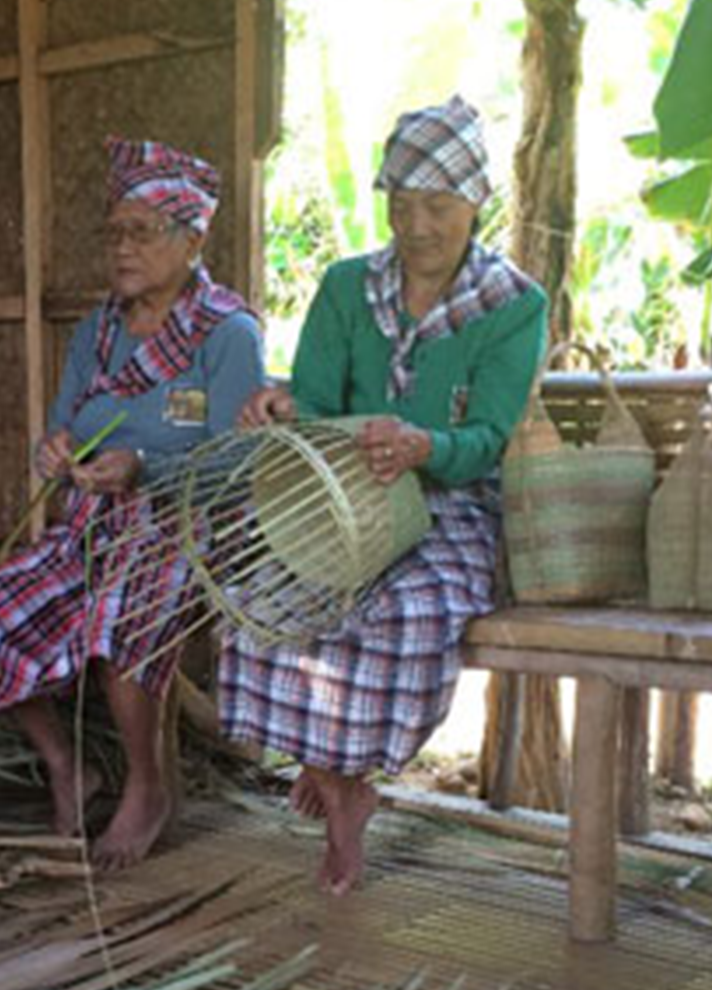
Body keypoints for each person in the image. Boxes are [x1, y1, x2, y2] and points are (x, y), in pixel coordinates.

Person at [227, 95, 547, 896]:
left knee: (401, 614)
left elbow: (487, 441)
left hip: (451, 505)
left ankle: (345, 777)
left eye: (438, 205)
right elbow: (314, 398)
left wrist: (423, 446)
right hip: (343, 495)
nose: (418, 225)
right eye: (402, 205)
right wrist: (285, 408)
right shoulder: (346, 287)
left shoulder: (514, 305)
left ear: (476, 202)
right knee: (259, 595)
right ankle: (337, 776)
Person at [0, 136, 266, 869]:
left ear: (192, 236)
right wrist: (52, 452)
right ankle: (66, 761)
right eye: (113, 232)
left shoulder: (227, 334)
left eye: (141, 231)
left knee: (121, 623)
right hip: (91, 522)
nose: (121, 249)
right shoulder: (99, 329)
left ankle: (148, 787)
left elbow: (236, 467)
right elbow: (64, 426)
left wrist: (144, 468)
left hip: (185, 529)